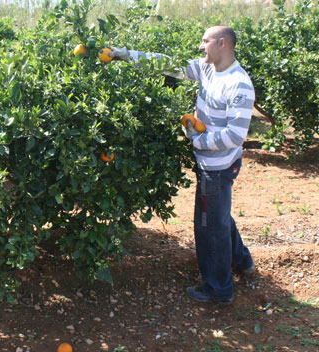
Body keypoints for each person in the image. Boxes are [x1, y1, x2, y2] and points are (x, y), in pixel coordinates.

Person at [108, 26, 255, 304]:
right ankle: (242, 261)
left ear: (222, 43)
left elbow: (236, 136)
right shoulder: (208, 68)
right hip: (211, 162)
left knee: (209, 226)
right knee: (217, 216)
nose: (201, 46)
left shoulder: (239, 84)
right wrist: (123, 55)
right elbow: (168, 64)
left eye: (205, 41)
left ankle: (219, 289)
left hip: (218, 167)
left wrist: (197, 139)